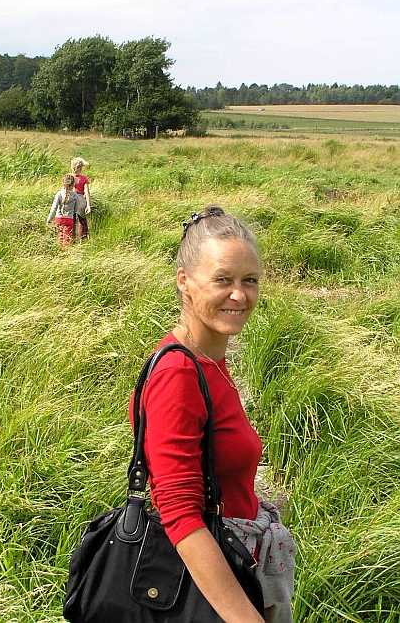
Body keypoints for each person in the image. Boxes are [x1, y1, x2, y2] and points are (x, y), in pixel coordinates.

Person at [129, 206, 295, 623]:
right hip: (209, 586)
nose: (239, 295)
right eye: (223, 279)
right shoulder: (177, 373)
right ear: (184, 281)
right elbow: (179, 513)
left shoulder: (210, 360)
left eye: (250, 280)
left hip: (237, 560)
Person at [46, 173, 78, 246]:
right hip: (69, 219)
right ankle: (66, 254)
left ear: (63, 183)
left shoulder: (59, 194)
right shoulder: (75, 195)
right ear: (73, 184)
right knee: (67, 240)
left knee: (59, 238)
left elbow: (54, 208)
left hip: (59, 219)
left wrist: (49, 219)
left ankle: (59, 253)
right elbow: (76, 209)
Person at [70, 156, 91, 240]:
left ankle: (72, 238)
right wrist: (88, 205)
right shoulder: (83, 178)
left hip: (71, 201)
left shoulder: (69, 177)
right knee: (82, 221)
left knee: (73, 220)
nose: (80, 169)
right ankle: (82, 238)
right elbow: (86, 192)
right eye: (80, 168)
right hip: (79, 200)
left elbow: (86, 192)